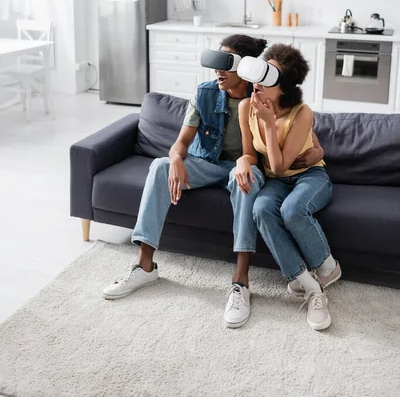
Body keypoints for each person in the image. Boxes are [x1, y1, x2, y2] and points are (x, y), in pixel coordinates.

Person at [102, 35, 324, 327]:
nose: (217, 72)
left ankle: (240, 282)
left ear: (245, 68)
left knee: (246, 178)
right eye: (215, 63)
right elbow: (180, 142)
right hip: (204, 164)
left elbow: (287, 134)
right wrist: (177, 160)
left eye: (225, 65)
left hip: (241, 168)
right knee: (159, 167)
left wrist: (313, 151)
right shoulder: (204, 93)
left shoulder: (259, 98)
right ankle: (145, 265)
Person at [231, 43, 340, 331]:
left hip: (309, 176)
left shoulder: (301, 113)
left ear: (283, 88)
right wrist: (243, 161)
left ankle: (328, 266)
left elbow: (280, 166)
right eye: (259, 74)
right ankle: (311, 287)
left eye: (269, 78)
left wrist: (268, 123)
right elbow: (252, 155)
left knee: (292, 210)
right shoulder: (246, 107)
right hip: (276, 182)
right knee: (262, 207)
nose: (258, 83)